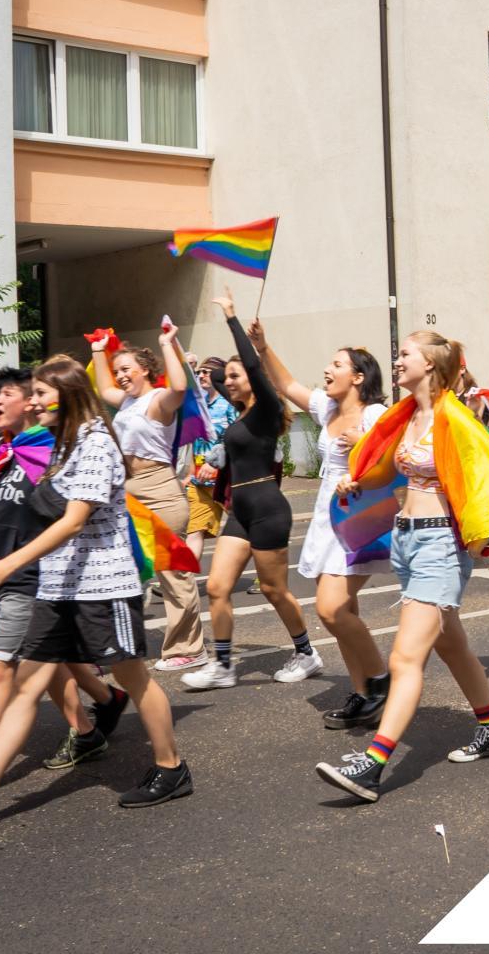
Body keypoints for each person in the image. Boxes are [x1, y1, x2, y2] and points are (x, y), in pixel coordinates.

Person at [0, 358, 191, 826]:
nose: (34, 401)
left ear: (68, 394)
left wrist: (8, 563)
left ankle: (171, 768)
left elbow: (74, 520)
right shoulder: (64, 447)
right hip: (58, 587)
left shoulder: (97, 443)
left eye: (41, 393)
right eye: (34, 394)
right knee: (27, 686)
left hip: (104, 587)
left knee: (134, 679)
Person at [315, 332, 489, 802]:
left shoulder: (456, 420)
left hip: (437, 545)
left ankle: (372, 764)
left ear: (429, 364)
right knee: (452, 645)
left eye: (405, 353)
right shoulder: (406, 416)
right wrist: (356, 479)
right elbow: (388, 469)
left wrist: (480, 536)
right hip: (407, 541)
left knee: (406, 658)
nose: (397, 359)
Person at [251, 328, 394, 728]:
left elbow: (394, 462)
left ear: (359, 377)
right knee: (344, 609)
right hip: (326, 517)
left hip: (360, 517)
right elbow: (287, 383)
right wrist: (263, 347)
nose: (327, 370)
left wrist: (362, 443)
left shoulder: (375, 415)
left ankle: (380, 678)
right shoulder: (327, 409)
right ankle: (363, 694)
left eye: (336, 364)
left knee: (331, 609)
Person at [182, 290, 318, 690]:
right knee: (219, 588)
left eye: (235, 377)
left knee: (275, 590)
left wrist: (231, 318)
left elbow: (257, 371)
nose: (227, 382)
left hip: (267, 511)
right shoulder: (242, 413)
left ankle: (307, 653)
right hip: (239, 512)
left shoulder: (265, 413)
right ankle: (223, 667)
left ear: (253, 381)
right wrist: (174, 347)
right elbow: (215, 377)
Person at [89, 330, 205, 671]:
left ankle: (189, 648)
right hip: (127, 491)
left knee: (172, 574)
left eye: (127, 369)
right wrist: (98, 352)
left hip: (159, 490)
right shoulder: (126, 402)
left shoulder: (158, 400)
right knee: (115, 572)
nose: (121, 375)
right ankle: (112, 646)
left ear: (145, 369)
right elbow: (104, 388)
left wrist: (168, 344)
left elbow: (181, 388)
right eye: (118, 370)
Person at [179, 356, 236, 620]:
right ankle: (185, 581)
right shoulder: (200, 406)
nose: (201, 375)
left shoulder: (228, 406)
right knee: (195, 530)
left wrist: (217, 464)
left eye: (207, 372)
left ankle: (264, 574)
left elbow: (237, 439)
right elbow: (195, 442)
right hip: (200, 481)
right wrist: (191, 473)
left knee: (245, 532)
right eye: (199, 371)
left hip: (229, 480)